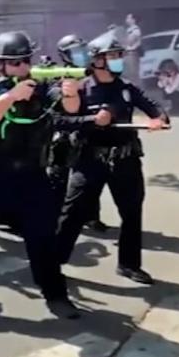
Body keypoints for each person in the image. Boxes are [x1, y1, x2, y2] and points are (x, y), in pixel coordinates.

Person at [0, 31, 90, 327]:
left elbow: (69, 108)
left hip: (31, 175)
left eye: (26, 60)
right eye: (15, 62)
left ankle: (56, 295)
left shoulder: (40, 82)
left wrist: (70, 91)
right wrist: (10, 97)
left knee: (42, 240)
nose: (23, 67)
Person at [55, 31, 169, 285]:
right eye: (113, 55)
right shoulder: (79, 88)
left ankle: (129, 265)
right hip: (90, 160)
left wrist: (158, 119)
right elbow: (63, 120)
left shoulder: (126, 88)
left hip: (125, 160)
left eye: (120, 55)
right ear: (96, 60)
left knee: (131, 213)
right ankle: (53, 264)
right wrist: (92, 121)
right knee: (72, 213)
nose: (118, 60)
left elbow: (155, 107)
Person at [47, 35, 106, 231]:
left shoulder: (93, 75)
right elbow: (56, 111)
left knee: (92, 180)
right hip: (64, 137)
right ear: (65, 56)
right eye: (75, 52)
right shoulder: (59, 77)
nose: (80, 55)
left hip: (88, 133)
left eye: (82, 50)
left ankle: (91, 216)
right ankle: (55, 220)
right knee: (58, 180)